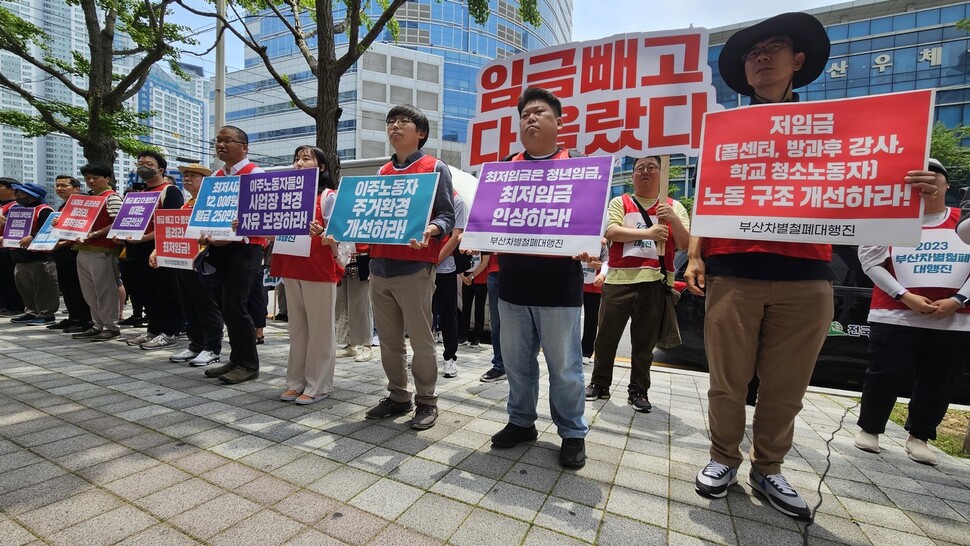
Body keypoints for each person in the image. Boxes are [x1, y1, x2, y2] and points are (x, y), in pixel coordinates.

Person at [686, 13, 835, 520]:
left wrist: (917, 196)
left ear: (798, 61)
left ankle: (769, 467)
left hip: (809, 275)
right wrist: (696, 254)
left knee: (787, 385)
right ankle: (723, 457)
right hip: (734, 272)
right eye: (753, 53)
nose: (762, 58)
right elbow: (707, 198)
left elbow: (863, 190)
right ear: (744, 71)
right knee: (727, 379)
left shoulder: (834, 130)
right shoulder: (724, 130)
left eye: (774, 48)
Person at [489, 87, 590, 469]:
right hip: (512, 284)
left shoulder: (579, 168)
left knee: (565, 368)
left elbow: (592, 225)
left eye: (540, 112)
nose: (531, 118)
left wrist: (590, 242)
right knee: (516, 363)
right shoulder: (504, 168)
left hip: (560, 288)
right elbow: (489, 221)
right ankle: (521, 422)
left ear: (559, 123)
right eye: (525, 113)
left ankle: (572, 432)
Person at [853, 158, 970, 466]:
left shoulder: (963, 222)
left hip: (953, 319)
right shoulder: (890, 219)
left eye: (934, 178)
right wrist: (905, 296)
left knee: (940, 380)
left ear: (947, 185)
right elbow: (870, 263)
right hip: (895, 314)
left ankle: (919, 435)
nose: (926, 184)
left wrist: (959, 299)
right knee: (885, 373)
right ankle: (870, 429)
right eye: (918, 179)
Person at [363, 104, 455, 430]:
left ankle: (427, 401)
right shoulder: (381, 173)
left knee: (421, 340)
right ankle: (398, 396)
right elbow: (369, 218)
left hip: (415, 267)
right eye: (391, 122)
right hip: (380, 267)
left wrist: (432, 230)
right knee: (388, 340)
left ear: (421, 133)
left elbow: (446, 215)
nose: (395, 127)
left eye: (403, 122)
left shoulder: (435, 168)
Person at [586, 157, 690, 412]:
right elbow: (612, 231)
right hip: (619, 280)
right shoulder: (620, 202)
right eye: (639, 168)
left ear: (661, 174)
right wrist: (649, 233)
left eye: (652, 168)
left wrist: (672, 220)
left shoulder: (673, 206)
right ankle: (600, 384)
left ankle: (639, 390)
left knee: (644, 343)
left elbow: (685, 243)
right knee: (606, 337)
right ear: (632, 176)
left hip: (655, 282)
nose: (645, 172)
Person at [272, 146, 343, 404]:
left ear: (321, 167)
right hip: (291, 267)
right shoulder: (285, 195)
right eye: (296, 159)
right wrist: (247, 223)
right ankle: (296, 382)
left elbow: (340, 235)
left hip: (318, 269)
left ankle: (319, 384)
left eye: (305, 159)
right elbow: (273, 230)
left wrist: (322, 233)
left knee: (320, 330)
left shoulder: (329, 197)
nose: (298, 164)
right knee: (298, 329)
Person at [200, 125, 266, 385]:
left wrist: (235, 233)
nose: (221, 145)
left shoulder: (256, 175)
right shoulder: (216, 176)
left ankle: (249, 364)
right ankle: (236, 358)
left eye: (228, 140)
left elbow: (263, 217)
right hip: (218, 248)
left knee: (236, 306)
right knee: (224, 305)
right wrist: (204, 233)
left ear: (244, 147)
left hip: (244, 249)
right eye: (218, 141)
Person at [152, 163, 224, 367]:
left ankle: (212, 347)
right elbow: (170, 231)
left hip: (203, 263)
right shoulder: (186, 205)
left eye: (193, 176)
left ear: (206, 181)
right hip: (182, 263)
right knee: (189, 304)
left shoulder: (212, 203)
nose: (187, 179)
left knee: (207, 306)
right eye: (185, 176)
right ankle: (195, 344)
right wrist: (158, 250)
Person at [121, 150, 185, 350]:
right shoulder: (138, 194)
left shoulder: (169, 191)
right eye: (140, 163)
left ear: (161, 169)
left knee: (166, 290)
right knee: (146, 291)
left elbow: (172, 224)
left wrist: (147, 239)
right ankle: (154, 329)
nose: (143, 167)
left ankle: (171, 331)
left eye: (149, 164)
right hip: (136, 249)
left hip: (158, 248)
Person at [70, 163, 124, 342]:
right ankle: (97, 324)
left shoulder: (112, 198)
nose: (91, 181)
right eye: (87, 178)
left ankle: (111, 326)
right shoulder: (87, 199)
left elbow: (118, 221)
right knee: (89, 291)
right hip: (84, 249)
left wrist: (95, 233)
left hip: (103, 250)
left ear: (107, 179)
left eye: (95, 177)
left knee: (104, 290)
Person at [5, 182, 58, 325]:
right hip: (19, 256)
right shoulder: (18, 210)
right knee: (25, 287)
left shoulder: (44, 210)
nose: (18, 196)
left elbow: (48, 229)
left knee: (44, 287)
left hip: (39, 257)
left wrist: (33, 236)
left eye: (22, 193)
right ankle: (31, 312)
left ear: (32, 196)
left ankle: (46, 314)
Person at [48, 175, 93, 333]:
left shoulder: (84, 206)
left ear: (76, 189)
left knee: (77, 287)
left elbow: (81, 231)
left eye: (64, 185)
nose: (59, 188)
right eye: (57, 185)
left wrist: (62, 243)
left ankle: (85, 319)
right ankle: (73, 317)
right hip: (62, 251)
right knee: (66, 286)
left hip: (75, 251)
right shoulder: (62, 207)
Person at [432, 190, 468, 378]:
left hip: (444, 267)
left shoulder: (456, 200)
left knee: (448, 314)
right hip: (421, 267)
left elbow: (456, 236)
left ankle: (449, 358)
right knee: (421, 315)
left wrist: (434, 260)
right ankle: (424, 356)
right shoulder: (426, 195)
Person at [335, 243, 374, 362]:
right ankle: (350, 344)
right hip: (342, 256)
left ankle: (367, 346)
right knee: (343, 303)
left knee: (361, 305)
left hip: (362, 256)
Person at [0, 177, 25, 315]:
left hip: (8, 249)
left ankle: (14, 306)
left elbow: (19, 228)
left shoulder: (16, 207)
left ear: (12, 189)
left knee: (9, 278)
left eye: (0, 187)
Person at [479, 255, 505, 382]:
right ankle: (500, 366)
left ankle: (516, 367)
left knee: (518, 325)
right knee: (496, 325)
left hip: (518, 268)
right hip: (494, 271)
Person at [580, 242, 607, 366]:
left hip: (594, 285)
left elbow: (607, 260)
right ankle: (570, 350)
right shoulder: (578, 237)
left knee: (591, 320)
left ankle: (586, 352)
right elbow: (567, 259)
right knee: (570, 319)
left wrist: (602, 274)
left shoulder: (602, 243)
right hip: (575, 283)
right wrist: (587, 263)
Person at [460, 252, 489, 348]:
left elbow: (485, 262)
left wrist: (472, 275)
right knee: (466, 307)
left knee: (479, 308)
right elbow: (459, 258)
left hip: (481, 279)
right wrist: (462, 276)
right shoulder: (465, 242)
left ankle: (477, 338)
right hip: (466, 278)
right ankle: (463, 336)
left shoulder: (484, 245)